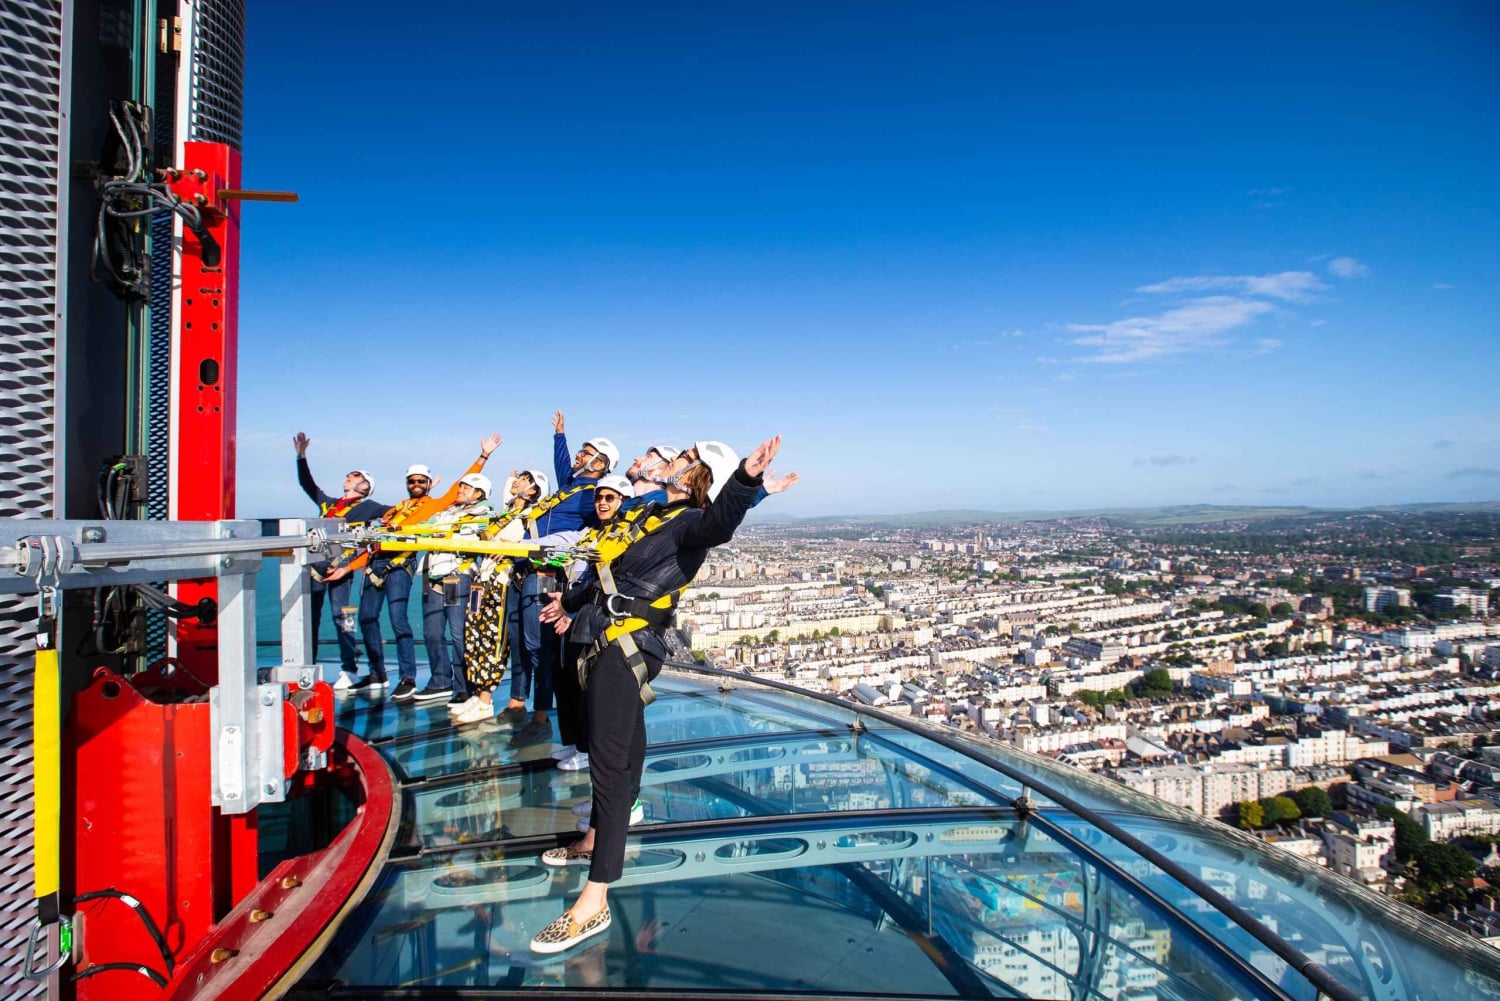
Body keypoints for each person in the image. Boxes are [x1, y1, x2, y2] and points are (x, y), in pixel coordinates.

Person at [529, 435, 788, 954]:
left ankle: (596, 897)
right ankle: (594, 839)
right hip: (602, 636)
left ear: (697, 480)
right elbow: (609, 572)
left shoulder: (692, 523)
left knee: (610, 763)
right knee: (618, 756)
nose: (676, 460)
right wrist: (569, 601)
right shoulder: (652, 516)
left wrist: (745, 480)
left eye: (688, 460)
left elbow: (719, 525)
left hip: (628, 646)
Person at [327, 434, 501, 698]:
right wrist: (347, 568)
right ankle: (378, 673)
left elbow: (459, 488)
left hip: (402, 564)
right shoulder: (396, 509)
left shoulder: (434, 506)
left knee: (400, 620)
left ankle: (409, 677)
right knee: (366, 618)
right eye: (412, 481)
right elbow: (377, 542)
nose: (416, 484)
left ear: (429, 484)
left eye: (421, 481)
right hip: (377, 562)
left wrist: (483, 456)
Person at [505, 412, 618, 745]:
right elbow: (562, 468)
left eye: (586, 453)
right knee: (521, 645)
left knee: (537, 647)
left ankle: (541, 718)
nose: (579, 457)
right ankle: (521, 705)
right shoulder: (571, 488)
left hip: (545, 571)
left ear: (599, 464)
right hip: (527, 566)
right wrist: (560, 436)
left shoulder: (590, 493)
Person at [547, 472, 633, 773]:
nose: (602, 502)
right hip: (576, 610)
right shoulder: (589, 533)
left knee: (585, 687)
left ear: (622, 502)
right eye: (599, 497)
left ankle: (586, 749)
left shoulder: (623, 538)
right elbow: (561, 543)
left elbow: (602, 582)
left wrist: (570, 607)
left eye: (609, 497)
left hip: (594, 615)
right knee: (567, 679)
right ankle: (575, 741)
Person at [292, 432, 389, 688]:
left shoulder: (367, 507)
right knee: (309, 618)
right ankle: (308, 667)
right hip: (315, 569)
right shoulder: (329, 504)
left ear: (365, 487)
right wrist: (301, 456)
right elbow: (308, 484)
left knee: (343, 617)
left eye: (355, 475)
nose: (349, 476)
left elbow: (395, 512)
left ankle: (350, 669)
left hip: (341, 571)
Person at [414, 472, 493, 703]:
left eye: (466, 487)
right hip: (433, 575)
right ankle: (440, 680)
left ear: (478, 493)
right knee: (431, 632)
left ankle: (464, 685)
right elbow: (423, 527)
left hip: (456, 575)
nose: (460, 490)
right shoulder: (446, 512)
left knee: (459, 634)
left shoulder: (483, 516)